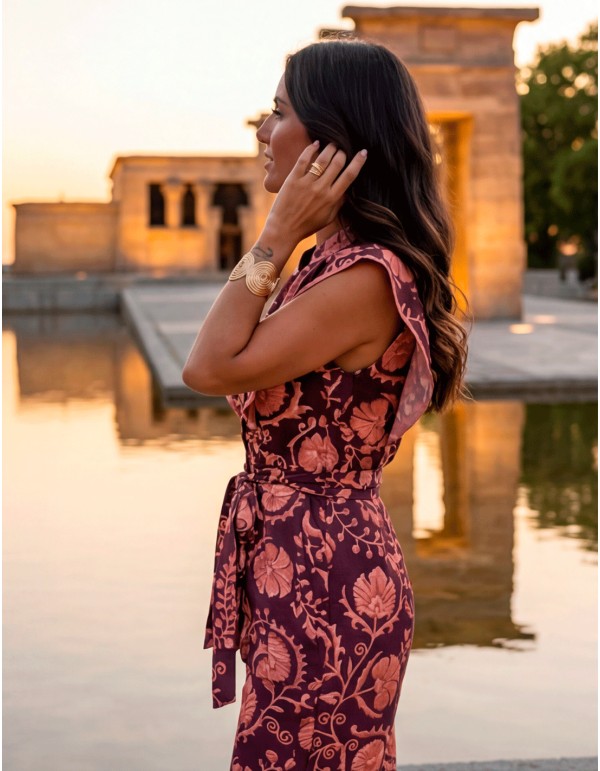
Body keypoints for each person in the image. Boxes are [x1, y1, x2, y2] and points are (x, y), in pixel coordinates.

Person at [183, 38, 468, 771]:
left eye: (279, 112)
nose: (261, 130)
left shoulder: (365, 277)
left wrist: (276, 228)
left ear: (333, 143)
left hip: (329, 581)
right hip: (299, 564)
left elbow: (207, 365)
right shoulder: (331, 263)